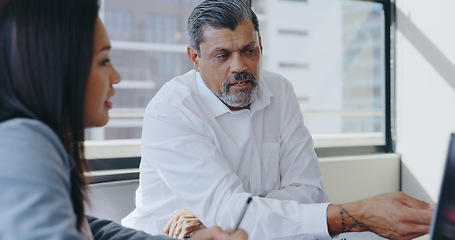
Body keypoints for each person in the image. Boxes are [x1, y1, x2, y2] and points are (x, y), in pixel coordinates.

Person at [121, 0, 434, 240]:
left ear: (260, 45)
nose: (239, 66)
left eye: (249, 50)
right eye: (222, 55)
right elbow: (236, 214)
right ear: (194, 58)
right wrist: (231, 213)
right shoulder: (172, 110)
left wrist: (225, 213)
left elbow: (310, 192)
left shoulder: (280, 91)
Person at [0, 0, 248, 239]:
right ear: (58, 68)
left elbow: (86, 227)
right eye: (103, 61)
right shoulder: (24, 146)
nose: (116, 77)